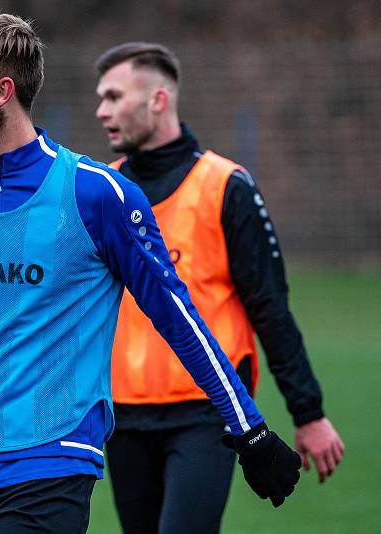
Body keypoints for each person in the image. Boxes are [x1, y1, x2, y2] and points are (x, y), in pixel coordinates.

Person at [0, 15, 301, 533]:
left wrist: (248, 428)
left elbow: (178, 318)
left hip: (51, 458)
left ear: (3, 91)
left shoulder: (97, 196)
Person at [93, 42, 345, 534]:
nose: (101, 110)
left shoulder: (225, 185)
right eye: (100, 97)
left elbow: (270, 308)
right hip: (122, 418)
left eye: (114, 96)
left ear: (158, 100)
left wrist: (308, 413)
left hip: (206, 413)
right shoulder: (106, 189)